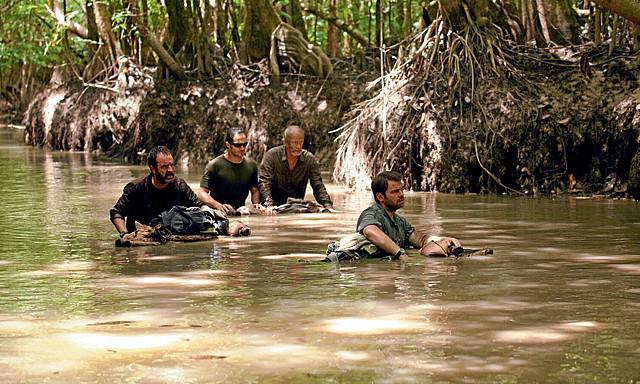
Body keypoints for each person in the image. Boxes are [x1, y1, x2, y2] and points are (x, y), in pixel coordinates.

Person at [357, 171, 462, 259]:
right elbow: (370, 232)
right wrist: (399, 253)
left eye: (402, 189)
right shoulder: (371, 214)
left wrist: (443, 240)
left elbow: (421, 240)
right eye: (395, 191)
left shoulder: (400, 221)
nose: (402, 194)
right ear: (380, 197)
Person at [110, 146, 202, 237]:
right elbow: (116, 213)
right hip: (141, 239)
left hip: (171, 237)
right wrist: (125, 234)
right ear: (153, 169)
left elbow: (199, 206)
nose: (170, 170)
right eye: (164, 167)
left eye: (172, 165)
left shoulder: (180, 186)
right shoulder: (135, 188)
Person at [259, 125, 334, 212]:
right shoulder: (272, 156)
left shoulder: (309, 159)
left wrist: (327, 205)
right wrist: (269, 205)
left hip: (296, 207)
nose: (298, 146)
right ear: (285, 142)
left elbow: (318, 185)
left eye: (301, 142)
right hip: (274, 207)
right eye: (295, 142)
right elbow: (264, 182)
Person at [197, 127, 260, 215]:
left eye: (245, 144)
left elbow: (254, 190)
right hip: (218, 213)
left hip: (240, 211)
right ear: (228, 145)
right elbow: (201, 193)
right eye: (237, 145)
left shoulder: (251, 165)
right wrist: (218, 205)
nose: (242, 148)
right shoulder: (215, 165)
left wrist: (256, 204)